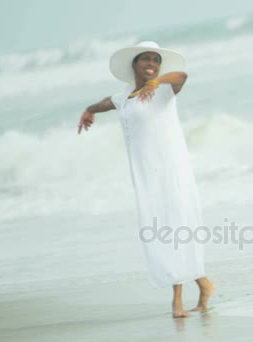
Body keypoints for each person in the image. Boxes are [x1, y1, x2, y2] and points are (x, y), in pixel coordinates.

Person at [77, 41, 215, 318]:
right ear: (135, 65)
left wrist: (157, 83)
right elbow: (107, 103)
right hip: (145, 175)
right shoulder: (124, 96)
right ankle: (204, 284)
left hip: (171, 171)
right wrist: (89, 109)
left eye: (156, 59)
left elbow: (182, 77)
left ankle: (177, 302)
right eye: (145, 59)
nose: (152, 63)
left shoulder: (164, 89)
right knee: (158, 230)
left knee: (173, 227)